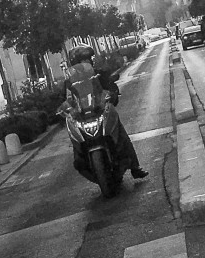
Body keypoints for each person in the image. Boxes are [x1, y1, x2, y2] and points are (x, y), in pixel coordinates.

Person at [62, 47, 147, 179]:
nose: (86, 62)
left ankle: (135, 167)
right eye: (83, 60)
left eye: (87, 59)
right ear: (75, 63)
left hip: (100, 111)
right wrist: (66, 107)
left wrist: (112, 93)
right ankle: (82, 160)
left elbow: (110, 85)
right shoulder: (69, 82)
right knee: (76, 142)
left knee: (121, 134)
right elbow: (66, 98)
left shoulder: (99, 74)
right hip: (82, 115)